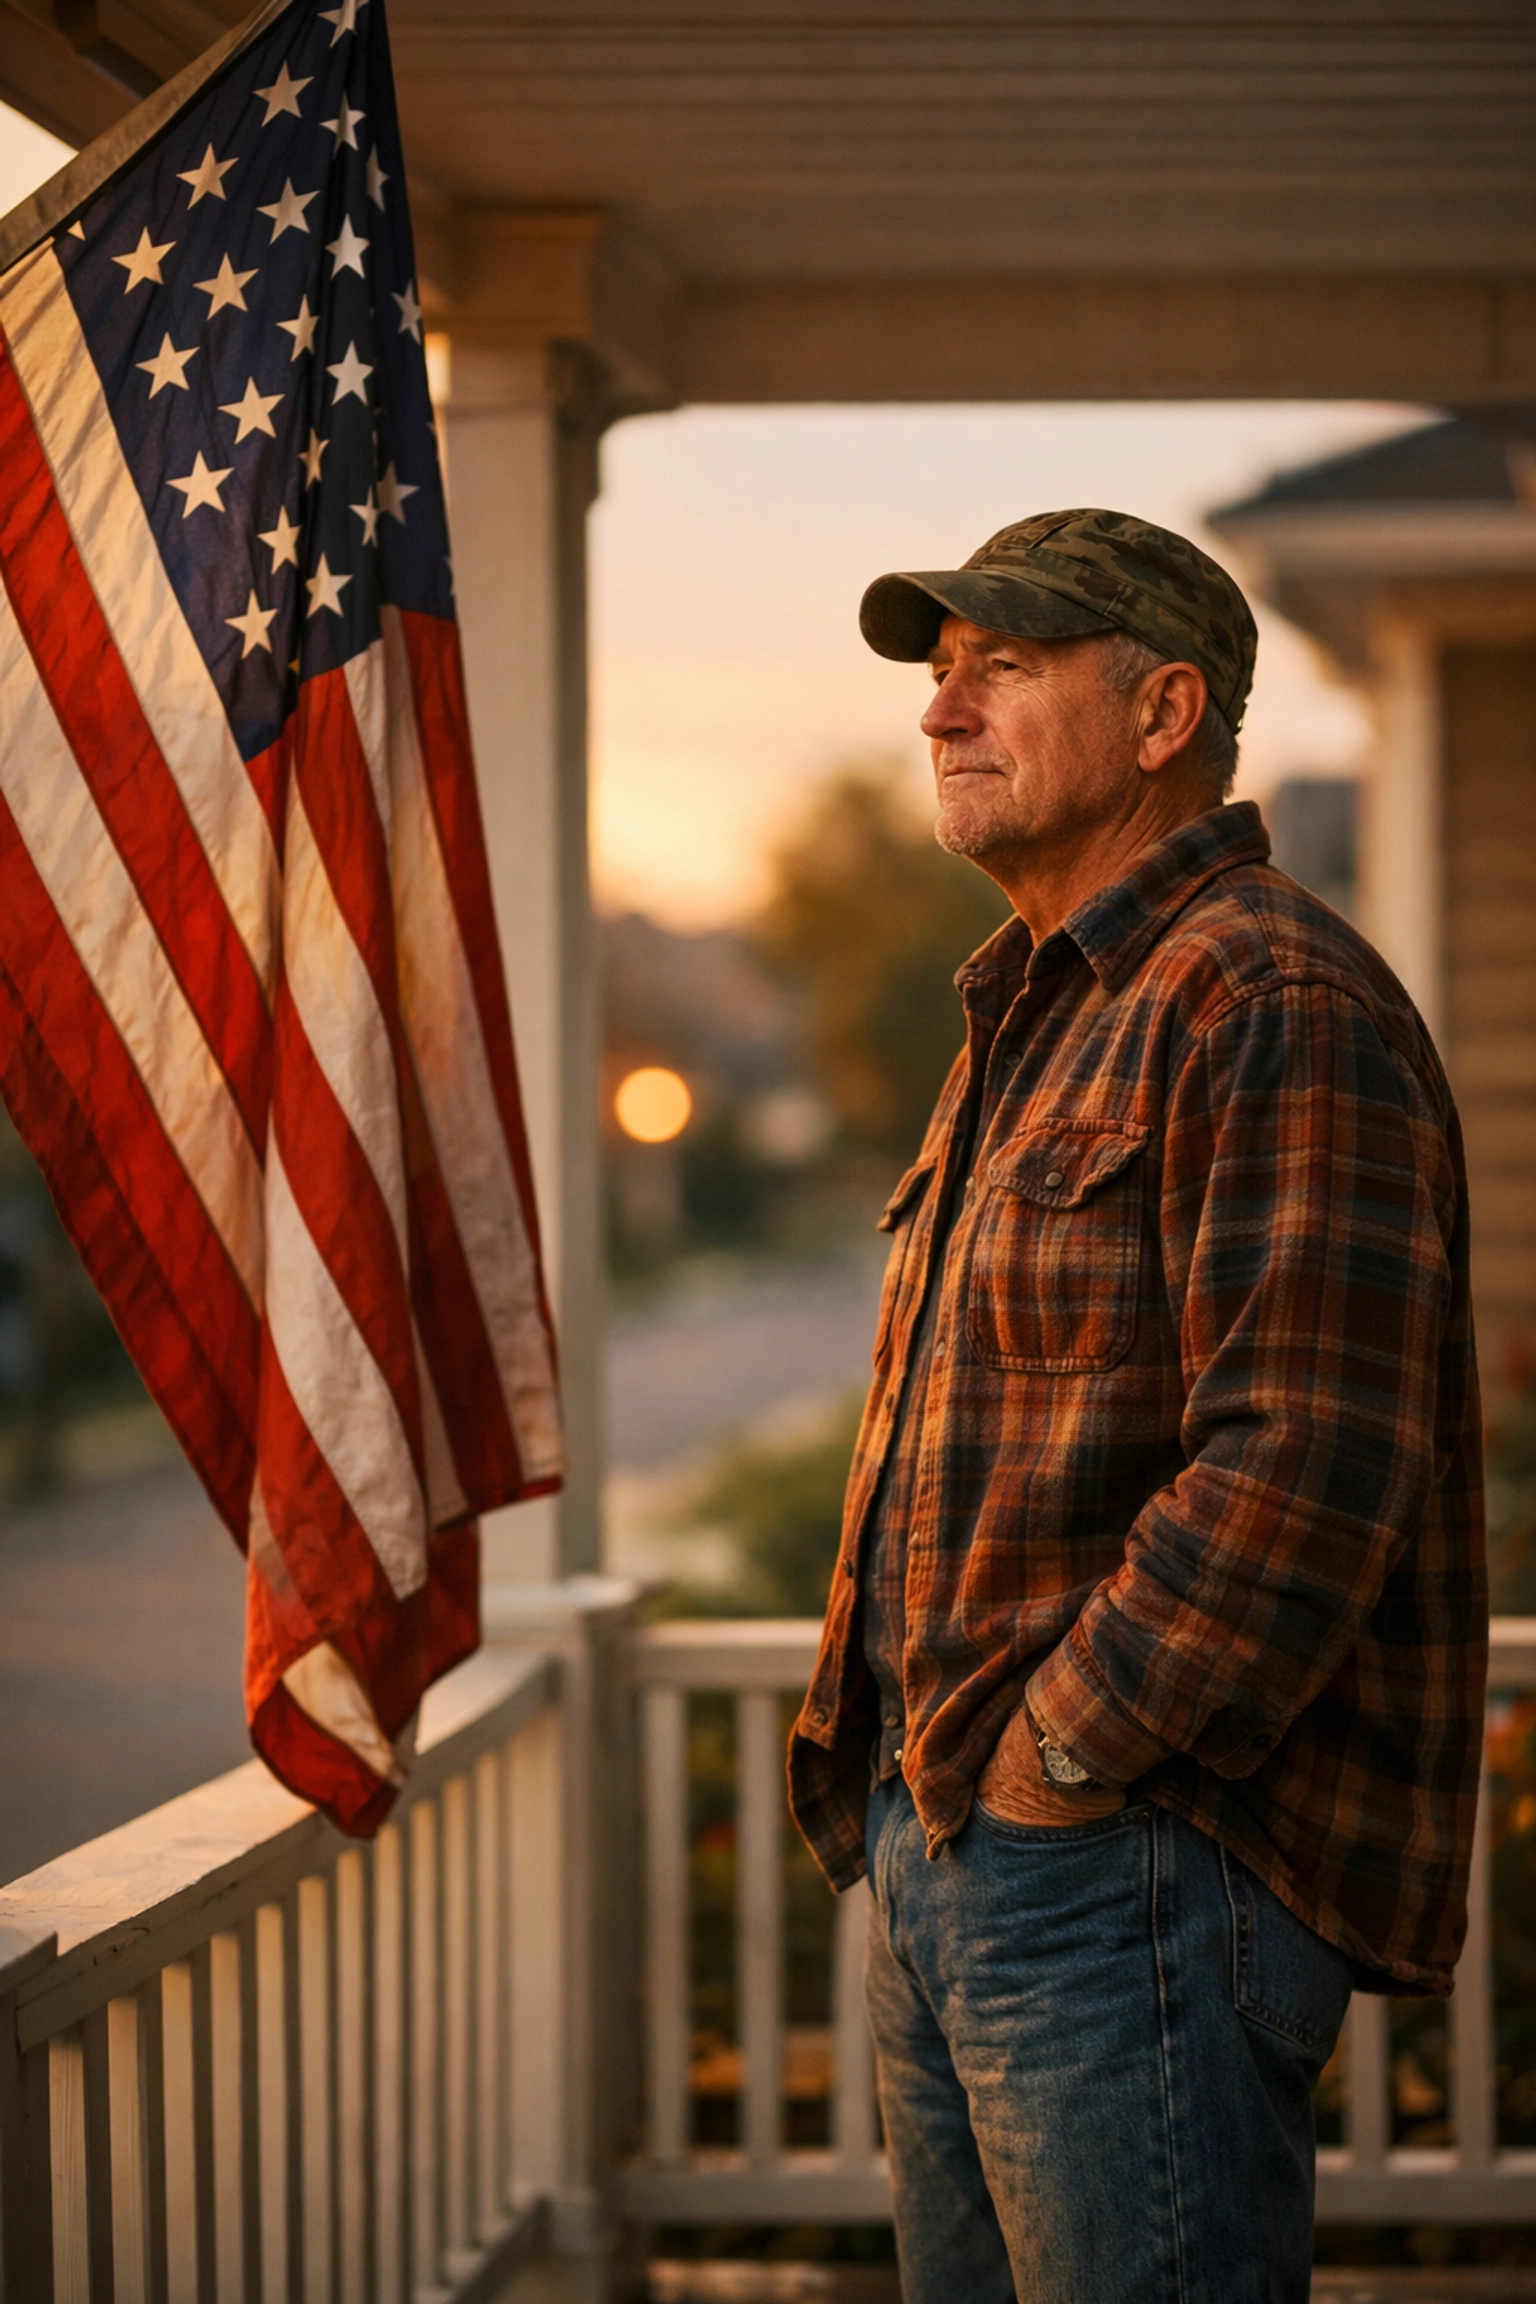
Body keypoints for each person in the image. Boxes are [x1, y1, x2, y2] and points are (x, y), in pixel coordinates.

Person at [788, 509, 1487, 2304]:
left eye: (1001, 668)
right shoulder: (1045, 1013)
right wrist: (935, 1798)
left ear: (1164, 710)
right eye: (940, 678)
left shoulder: (1266, 993)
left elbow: (1311, 1458)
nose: (944, 712)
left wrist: (1062, 1763)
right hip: (964, 1857)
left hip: (1124, 1876)